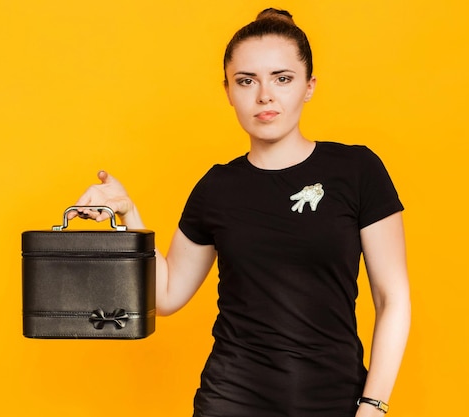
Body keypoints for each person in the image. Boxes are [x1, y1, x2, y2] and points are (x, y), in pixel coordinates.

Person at [70, 8, 410, 417]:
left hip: (333, 399)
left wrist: (373, 406)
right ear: (228, 90)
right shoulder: (217, 187)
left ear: (308, 86)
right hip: (231, 398)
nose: (264, 95)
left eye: (282, 79)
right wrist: (129, 216)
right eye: (246, 81)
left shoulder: (356, 170)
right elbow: (166, 296)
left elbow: (393, 298)